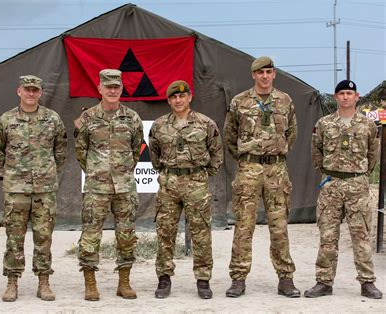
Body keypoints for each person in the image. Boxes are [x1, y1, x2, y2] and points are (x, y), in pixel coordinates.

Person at [223, 56, 300, 298]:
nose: (265, 76)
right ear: (253, 75)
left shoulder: (285, 101)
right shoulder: (240, 102)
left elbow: (292, 134)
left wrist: (275, 153)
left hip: (276, 171)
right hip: (249, 170)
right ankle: (238, 278)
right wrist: (248, 157)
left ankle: (285, 278)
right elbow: (230, 135)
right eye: (260, 72)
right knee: (244, 226)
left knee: (279, 227)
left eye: (269, 72)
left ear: (274, 74)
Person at [0, 75, 68, 302]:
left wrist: (51, 172)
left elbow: (61, 149)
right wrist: (4, 173)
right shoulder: (7, 120)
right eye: (27, 90)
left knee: (44, 237)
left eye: (35, 90)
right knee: (14, 237)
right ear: (19, 91)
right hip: (16, 188)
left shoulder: (52, 119)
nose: (31, 94)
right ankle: (12, 282)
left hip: (44, 189)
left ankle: (43, 282)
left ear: (41, 93)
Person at [305, 80, 383, 299]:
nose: (346, 97)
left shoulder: (367, 125)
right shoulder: (324, 124)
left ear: (357, 96)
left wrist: (358, 174)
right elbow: (316, 153)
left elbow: (372, 156)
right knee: (328, 235)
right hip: (331, 184)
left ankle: (367, 283)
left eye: (350, 93)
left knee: (361, 235)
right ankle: (324, 282)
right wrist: (331, 173)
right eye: (342, 93)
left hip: (357, 185)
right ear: (336, 96)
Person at [149, 80, 223, 299]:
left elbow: (216, 153)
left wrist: (201, 174)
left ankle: (203, 279)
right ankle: (164, 278)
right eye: (173, 97)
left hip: (196, 183)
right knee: (165, 232)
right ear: (169, 100)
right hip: (169, 184)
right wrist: (168, 172)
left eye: (182, 96)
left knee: (201, 233)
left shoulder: (205, 123)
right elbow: (154, 155)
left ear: (190, 97)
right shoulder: (160, 125)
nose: (178, 100)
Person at [74, 69, 143, 301]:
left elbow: (136, 151)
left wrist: (122, 172)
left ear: (122, 89)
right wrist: (97, 172)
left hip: (125, 187)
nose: (112, 91)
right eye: (108, 86)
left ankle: (124, 282)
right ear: (99, 88)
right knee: (91, 235)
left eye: (116, 87)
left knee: (126, 235)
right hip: (97, 188)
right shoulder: (88, 118)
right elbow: (81, 151)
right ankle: (90, 284)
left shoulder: (132, 118)